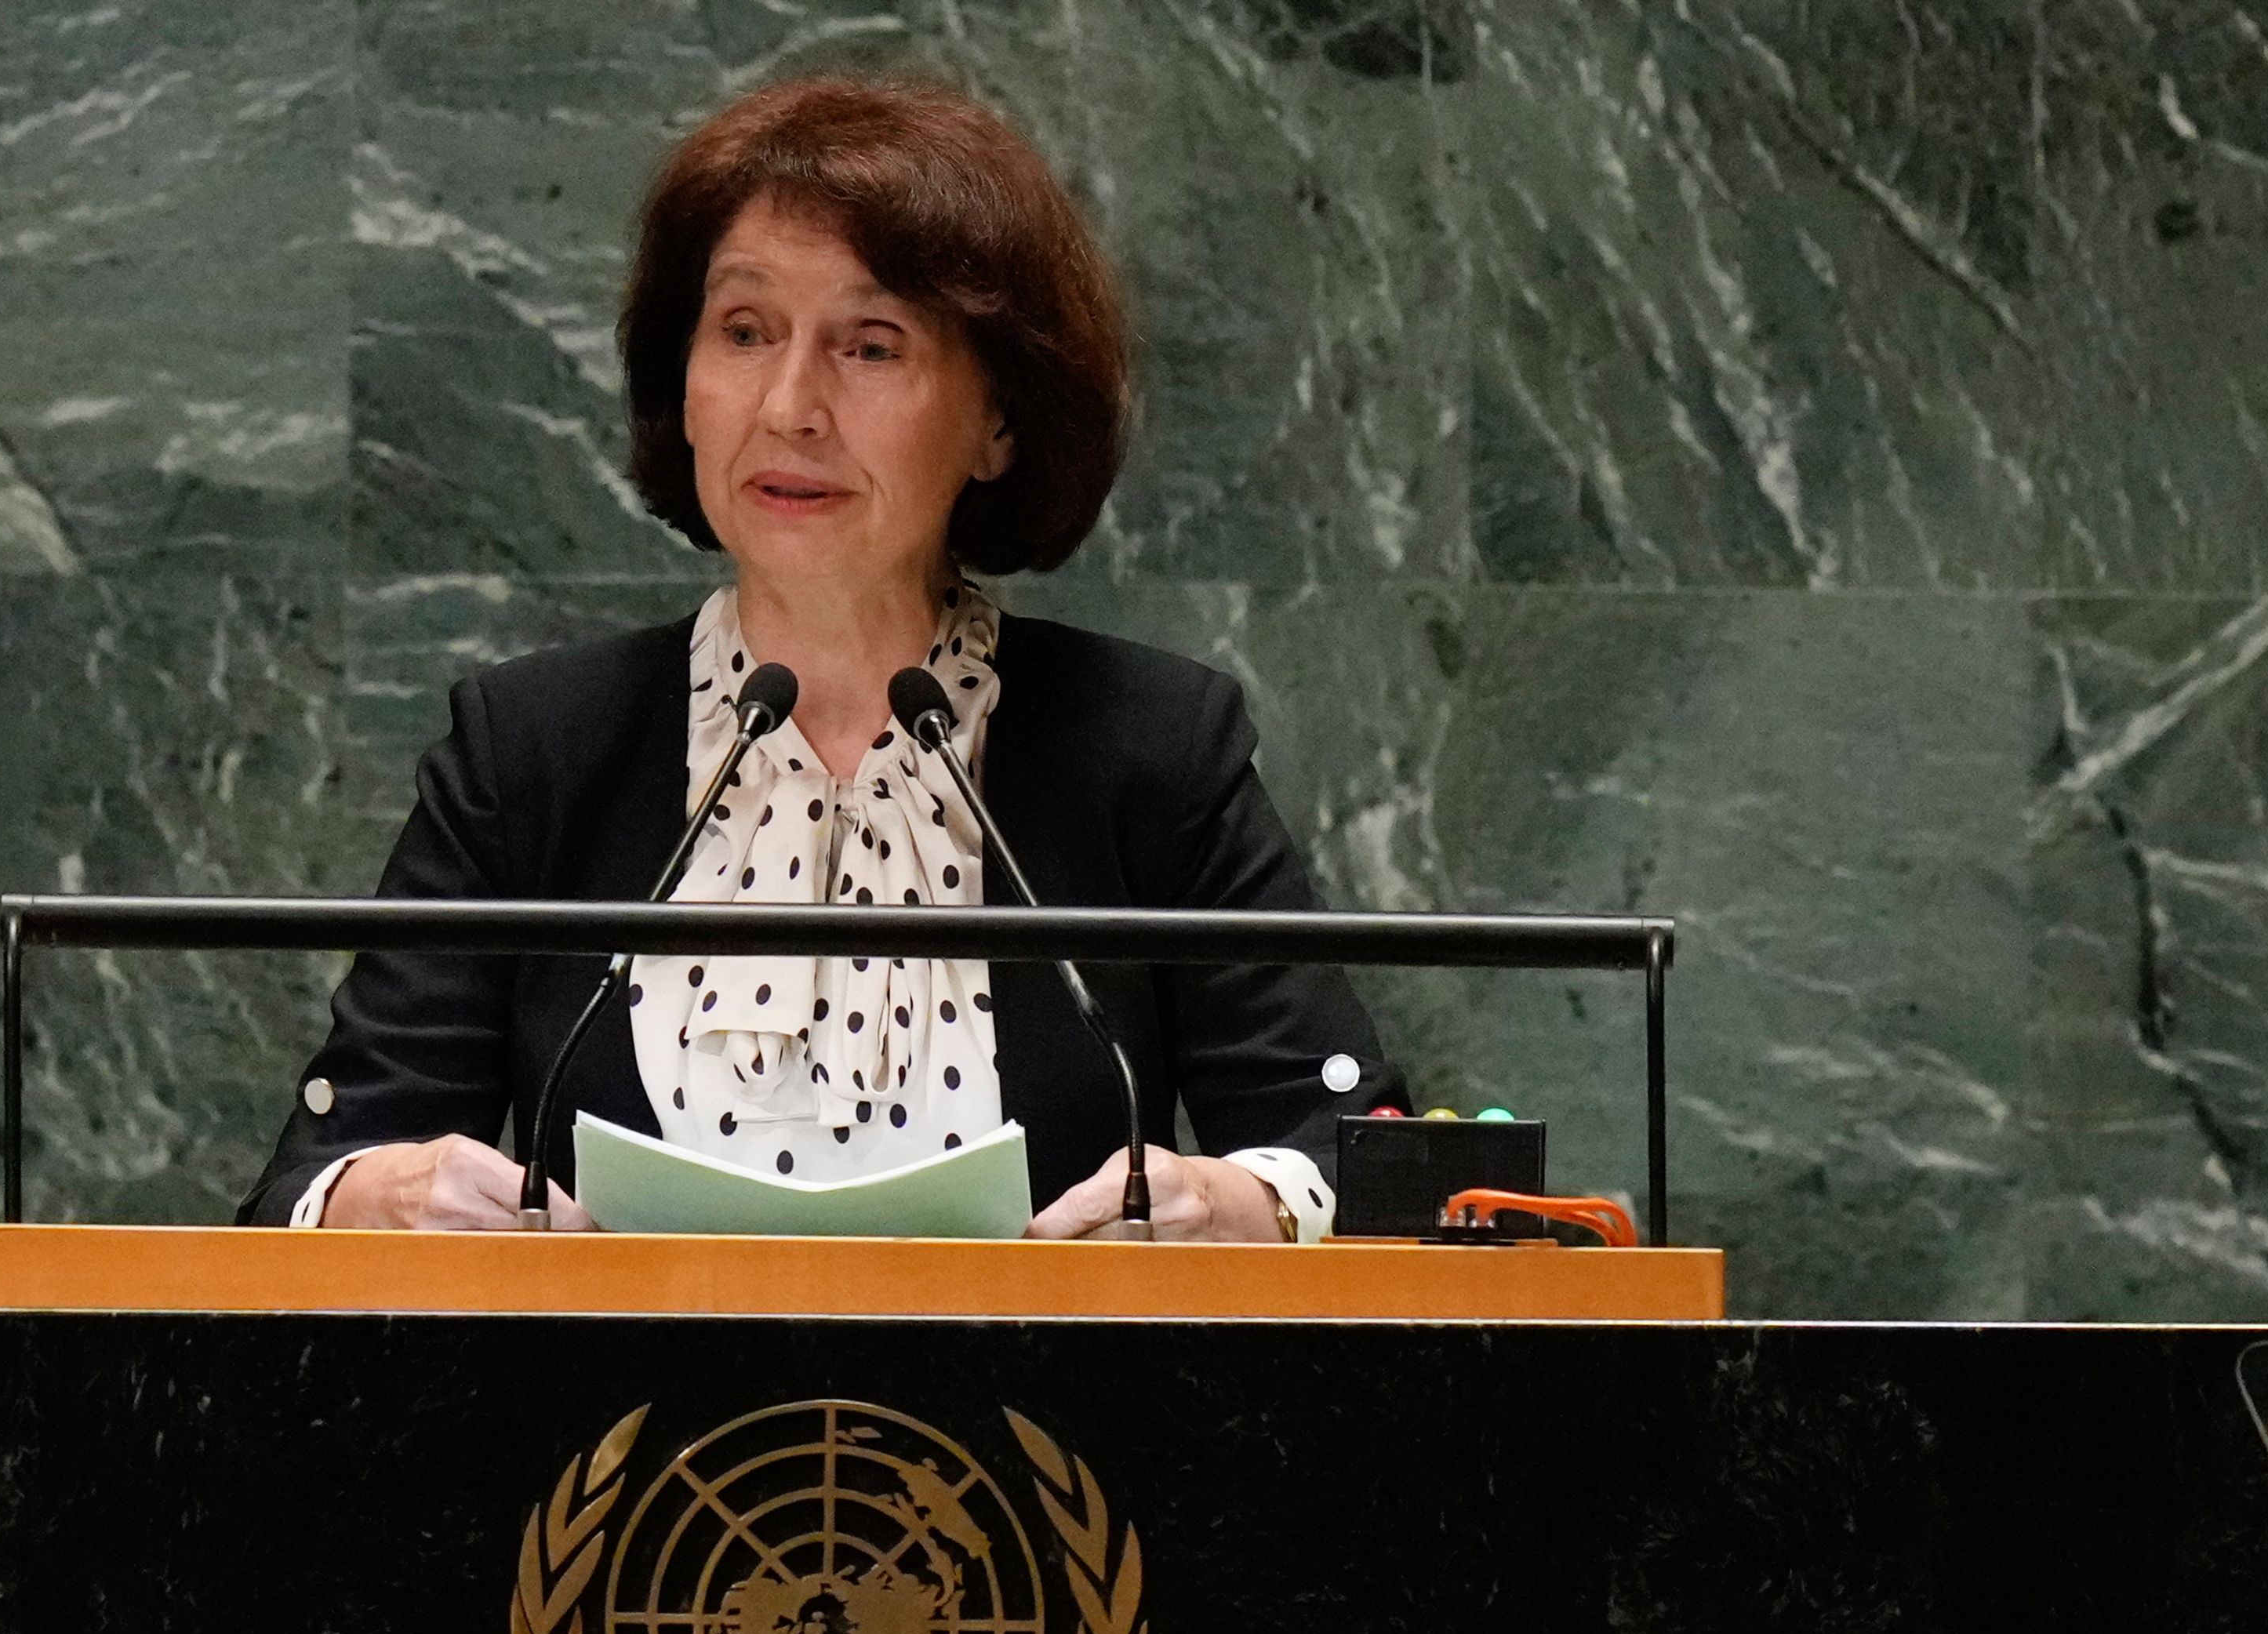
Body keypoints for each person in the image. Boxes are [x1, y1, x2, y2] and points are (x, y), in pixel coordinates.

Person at [239, 72, 1406, 1240]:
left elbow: (1364, 1158)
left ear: (998, 422)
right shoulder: (535, 751)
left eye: (872, 345)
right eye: (745, 332)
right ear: (683, 387)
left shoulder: (1147, 747)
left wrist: (1241, 1202)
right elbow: (313, 1179)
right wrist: (369, 1198)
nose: (790, 405)